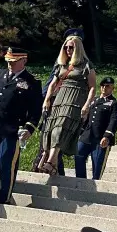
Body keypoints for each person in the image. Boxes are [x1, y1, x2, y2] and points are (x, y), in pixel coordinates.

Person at [0, 47, 42, 205]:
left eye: (14, 61)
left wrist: (29, 128)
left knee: (6, 162)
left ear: (23, 60)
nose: (10, 64)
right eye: (8, 61)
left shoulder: (32, 82)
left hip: (11, 130)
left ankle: (4, 196)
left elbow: (36, 110)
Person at [39, 35, 97, 175]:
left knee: (61, 128)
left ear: (78, 48)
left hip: (75, 100)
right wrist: (47, 99)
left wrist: (87, 105)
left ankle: (50, 161)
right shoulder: (62, 64)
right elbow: (53, 84)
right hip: (60, 99)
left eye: (71, 47)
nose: (68, 50)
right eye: (66, 47)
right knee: (52, 129)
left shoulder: (86, 65)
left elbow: (92, 87)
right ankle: (53, 165)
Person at [75, 77, 117, 180]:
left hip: (100, 138)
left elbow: (114, 120)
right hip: (87, 135)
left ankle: (94, 184)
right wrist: (81, 132)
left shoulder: (115, 103)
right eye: (103, 86)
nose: (104, 88)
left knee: (97, 164)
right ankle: (80, 180)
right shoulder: (94, 100)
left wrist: (107, 136)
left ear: (113, 88)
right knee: (78, 155)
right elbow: (87, 117)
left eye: (108, 86)